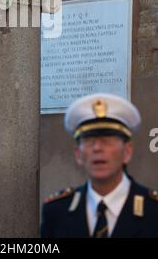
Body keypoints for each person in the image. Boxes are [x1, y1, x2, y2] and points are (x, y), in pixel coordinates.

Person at [41, 93, 158, 238]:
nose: (97, 148)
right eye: (89, 140)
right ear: (78, 154)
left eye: (107, 140)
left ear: (127, 152)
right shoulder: (56, 211)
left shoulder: (153, 210)